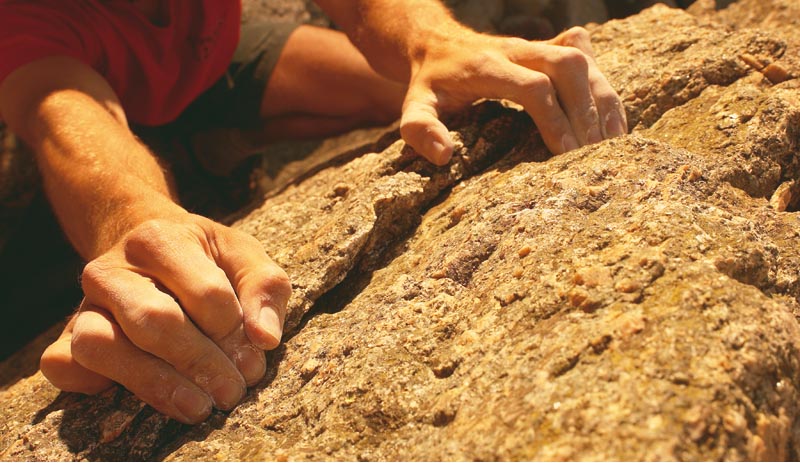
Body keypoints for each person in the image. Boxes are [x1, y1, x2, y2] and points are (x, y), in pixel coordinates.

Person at [0, 0, 627, 424]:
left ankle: (202, 141)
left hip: (211, 55)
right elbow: (59, 110)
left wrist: (434, 42)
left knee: (428, 95)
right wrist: (133, 219)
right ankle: (188, 148)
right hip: (91, 74)